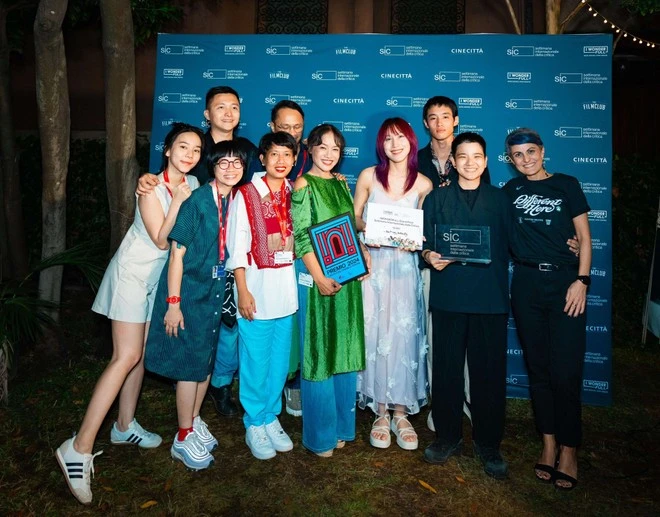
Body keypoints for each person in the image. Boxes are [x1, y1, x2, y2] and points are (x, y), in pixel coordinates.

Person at [56, 122, 203, 504]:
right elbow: (160, 238)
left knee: (139, 357)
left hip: (155, 282)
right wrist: (181, 202)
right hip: (132, 276)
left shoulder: (192, 186)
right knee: (125, 356)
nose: (189, 154)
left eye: (196, 150)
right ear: (167, 150)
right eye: (182, 147)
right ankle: (78, 447)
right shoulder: (152, 187)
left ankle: (123, 426)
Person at [138, 86, 259, 419]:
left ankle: (214, 396)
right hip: (193, 266)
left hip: (227, 265)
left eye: (234, 106)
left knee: (222, 336)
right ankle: (186, 423)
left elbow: (273, 174)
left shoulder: (246, 151)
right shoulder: (195, 150)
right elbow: (172, 178)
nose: (231, 168)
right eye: (220, 107)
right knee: (193, 343)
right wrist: (148, 181)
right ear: (207, 113)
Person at [144, 140, 245, 471]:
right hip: (187, 292)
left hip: (213, 292)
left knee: (205, 362)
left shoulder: (233, 201)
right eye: (223, 163)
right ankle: (182, 436)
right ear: (212, 167)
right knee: (190, 367)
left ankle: (195, 418)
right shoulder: (198, 201)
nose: (231, 168)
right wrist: (173, 304)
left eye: (237, 163)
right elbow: (176, 253)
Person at [503, 128, 592, 491]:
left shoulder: (567, 184)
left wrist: (582, 280)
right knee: (538, 369)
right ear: (510, 160)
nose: (526, 160)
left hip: (566, 285)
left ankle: (570, 450)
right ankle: (548, 442)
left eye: (531, 152)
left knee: (566, 371)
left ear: (543, 151)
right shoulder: (510, 192)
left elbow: (584, 238)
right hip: (525, 285)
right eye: (518, 155)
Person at [421, 132, 510, 480]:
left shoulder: (501, 200)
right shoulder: (436, 199)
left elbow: (520, 243)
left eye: (477, 157)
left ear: (486, 162)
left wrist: (567, 246)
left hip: (489, 299)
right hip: (449, 297)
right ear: (452, 162)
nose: (470, 163)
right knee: (445, 369)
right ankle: (447, 437)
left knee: (488, 374)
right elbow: (423, 243)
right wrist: (428, 255)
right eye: (463, 156)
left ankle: (488, 444)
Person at [353, 117, 432, 451]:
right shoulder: (369, 176)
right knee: (374, 335)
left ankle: (401, 413)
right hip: (372, 266)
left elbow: (427, 229)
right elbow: (354, 215)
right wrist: (368, 227)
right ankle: (380, 412)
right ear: (380, 144)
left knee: (403, 336)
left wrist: (419, 240)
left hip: (404, 268)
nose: (395, 144)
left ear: (412, 142)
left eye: (401, 138)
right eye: (388, 139)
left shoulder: (424, 184)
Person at [292, 124, 370, 457]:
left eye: (336, 149)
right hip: (316, 278)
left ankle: (341, 428)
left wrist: (362, 251)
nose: (329, 155)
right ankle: (321, 436)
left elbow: (348, 226)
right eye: (322, 147)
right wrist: (319, 277)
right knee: (320, 353)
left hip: (347, 278)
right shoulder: (303, 184)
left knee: (344, 350)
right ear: (310, 149)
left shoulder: (341, 183)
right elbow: (301, 236)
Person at [417, 96, 490, 431]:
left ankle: (472, 400)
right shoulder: (416, 160)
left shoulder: (472, 159)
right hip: (432, 261)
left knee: (471, 338)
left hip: (471, 266)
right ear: (426, 124)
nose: (439, 123)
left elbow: (486, 212)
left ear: (456, 120)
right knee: (437, 338)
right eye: (432, 118)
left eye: (445, 117)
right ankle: (442, 403)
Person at [226, 132, 298, 460]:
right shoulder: (247, 194)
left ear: (294, 160)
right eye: (274, 155)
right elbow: (237, 246)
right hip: (256, 291)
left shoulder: (296, 192)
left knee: (280, 363)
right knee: (255, 362)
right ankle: (254, 421)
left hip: (287, 293)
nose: (281, 161)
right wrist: (243, 290)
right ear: (263, 158)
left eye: (287, 155)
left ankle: (270, 416)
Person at [268, 100, 312, 417]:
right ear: (273, 128)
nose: (292, 133)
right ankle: (272, 385)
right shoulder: (263, 158)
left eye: (297, 127)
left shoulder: (314, 156)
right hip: (268, 259)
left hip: (302, 256)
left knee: (300, 322)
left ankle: (295, 386)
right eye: (286, 127)